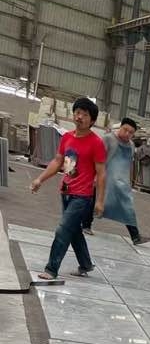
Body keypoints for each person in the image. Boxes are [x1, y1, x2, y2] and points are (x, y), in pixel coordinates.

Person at [31, 97, 106, 280]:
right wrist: (40, 179)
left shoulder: (96, 143)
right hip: (66, 191)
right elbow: (58, 162)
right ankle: (86, 264)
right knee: (74, 231)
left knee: (63, 230)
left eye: (85, 115)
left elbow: (101, 173)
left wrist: (100, 201)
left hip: (82, 196)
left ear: (92, 120)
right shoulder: (66, 138)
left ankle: (51, 269)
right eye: (77, 112)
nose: (79, 117)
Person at [100, 118, 150, 246]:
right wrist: (97, 175)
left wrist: (131, 180)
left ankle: (135, 236)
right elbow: (99, 158)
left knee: (127, 206)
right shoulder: (108, 139)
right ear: (120, 127)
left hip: (122, 182)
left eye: (131, 132)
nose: (127, 134)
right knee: (95, 201)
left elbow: (130, 163)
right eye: (125, 130)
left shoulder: (131, 145)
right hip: (106, 176)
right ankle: (85, 224)